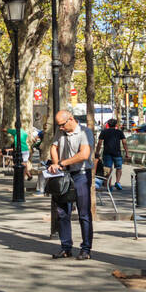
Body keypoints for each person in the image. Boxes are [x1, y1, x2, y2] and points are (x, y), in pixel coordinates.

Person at [47, 109, 93, 260]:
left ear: (71, 119)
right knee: (62, 213)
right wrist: (56, 165)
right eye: (58, 125)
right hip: (64, 175)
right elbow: (53, 147)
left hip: (81, 175)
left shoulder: (85, 132)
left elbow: (84, 154)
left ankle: (86, 249)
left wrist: (62, 163)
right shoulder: (60, 132)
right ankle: (66, 247)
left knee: (83, 213)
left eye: (62, 125)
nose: (60, 128)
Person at [98, 119, 127, 191]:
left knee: (108, 169)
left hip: (107, 153)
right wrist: (127, 152)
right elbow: (124, 142)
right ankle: (117, 182)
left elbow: (99, 143)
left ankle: (109, 184)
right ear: (116, 125)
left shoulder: (104, 132)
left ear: (108, 124)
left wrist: (97, 152)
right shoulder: (119, 132)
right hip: (117, 153)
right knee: (119, 168)